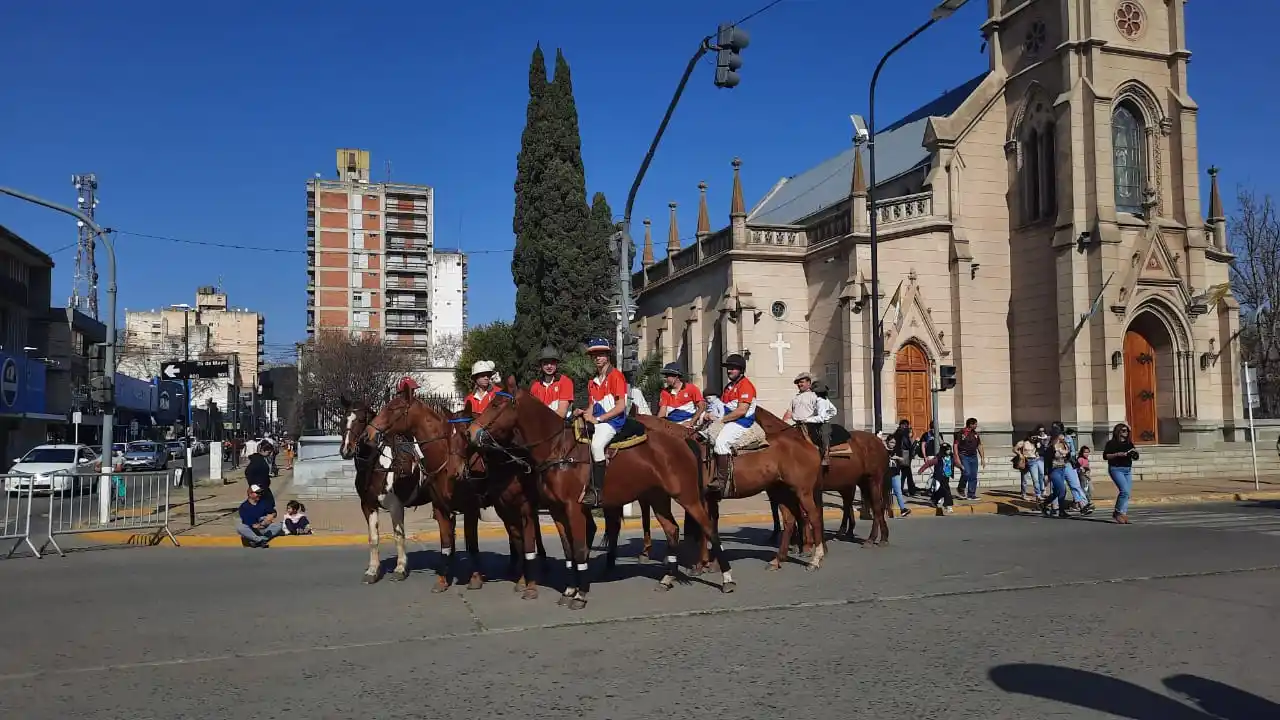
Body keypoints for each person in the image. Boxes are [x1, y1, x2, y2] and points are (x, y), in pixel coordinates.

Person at [574, 337, 628, 507]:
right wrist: (583, 412)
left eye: (600, 354)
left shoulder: (616, 376)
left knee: (596, 445)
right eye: (594, 355)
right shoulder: (593, 381)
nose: (597, 358)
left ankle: (598, 492)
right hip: (599, 421)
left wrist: (597, 419)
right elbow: (592, 406)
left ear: (608, 356)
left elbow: (621, 407)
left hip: (613, 422)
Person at [711, 353, 758, 493]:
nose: (729, 370)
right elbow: (722, 408)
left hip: (741, 422)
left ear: (741, 370)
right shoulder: (729, 387)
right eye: (728, 368)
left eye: (733, 368)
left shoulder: (746, 385)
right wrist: (710, 416)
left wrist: (720, 421)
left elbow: (741, 411)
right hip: (728, 420)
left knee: (721, 442)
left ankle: (721, 482)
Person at [1103, 423, 1139, 524]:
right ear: (1118, 431)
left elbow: (1135, 456)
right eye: (1123, 431)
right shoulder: (1111, 443)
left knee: (1127, 493)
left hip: (1127, 469)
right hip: (1116, 469)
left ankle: (1123, 513)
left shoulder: (1129, 444)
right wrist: (1117, 454)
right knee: (1124, 491)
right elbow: (1106, 456)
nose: (1126, 433)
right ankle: (1117, 512)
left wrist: (1133, 453)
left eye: (1127, 430)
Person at [529, 347, 574, 418]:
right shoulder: (535, 386)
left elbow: (561, 413)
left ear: (556, 364)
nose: (549, 366)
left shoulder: (565, 382)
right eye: (546, 363)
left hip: (562, 425)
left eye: (552, 362)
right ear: (541, 365)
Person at [917, 442, 956, 514]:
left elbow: (955, 463)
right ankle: (948, 506)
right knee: (947, 491)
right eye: (947, 450)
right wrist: (921, 470)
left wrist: (962, 467)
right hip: (939, 476)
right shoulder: (938, 458)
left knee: (941, 491)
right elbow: (929, 463)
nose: (949, 451)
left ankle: (934, 500)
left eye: (950, 449)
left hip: (946, 476)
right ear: (943, 450)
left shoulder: (951, 457)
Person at [954, 417, 986, 500]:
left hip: (973, 456)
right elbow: (955, 445)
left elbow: (979, 445)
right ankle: (960, 488)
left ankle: (971, 494)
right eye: (975, 424)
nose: (976, 425)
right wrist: (956, 457)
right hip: (963, 455)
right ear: (971, 424)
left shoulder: (975, 434)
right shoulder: (961, 433)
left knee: (973, 475)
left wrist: (982, 457)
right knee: (966, 473)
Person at [885, 435, 911, 517]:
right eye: (891, 442)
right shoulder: (884, 451)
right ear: (887, 442)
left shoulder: (897, 450)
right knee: (886, 493)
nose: (893, 444)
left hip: (895, 474)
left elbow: (903, 459)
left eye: (894, 443)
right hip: (886, 475)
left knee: (898, 492)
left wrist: (898, 458)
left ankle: (903, 509)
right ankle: (886, 509)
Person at [1014, 432, 1042, 500]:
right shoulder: (1022, 442)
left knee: (1035, 479)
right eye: (1032, 437)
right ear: (1029, 437)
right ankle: (1023, 494)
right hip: (1025, 461)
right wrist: (1020, 454)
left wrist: (1037, 454)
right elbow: (1014, 449)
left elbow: (1038, 450)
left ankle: (1038, 495)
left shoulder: (1036, 443)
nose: (1034, 438)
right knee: (1024, 480)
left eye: (1035, 437)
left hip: (1033, 461)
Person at [245, 441, 273, 508]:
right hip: (258, 489)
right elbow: (248, 472)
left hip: (262, 488)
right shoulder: (257, 460)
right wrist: (254, 486)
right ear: (263, 450)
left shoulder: (262, 459)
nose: (270, 454)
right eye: (268, 452)